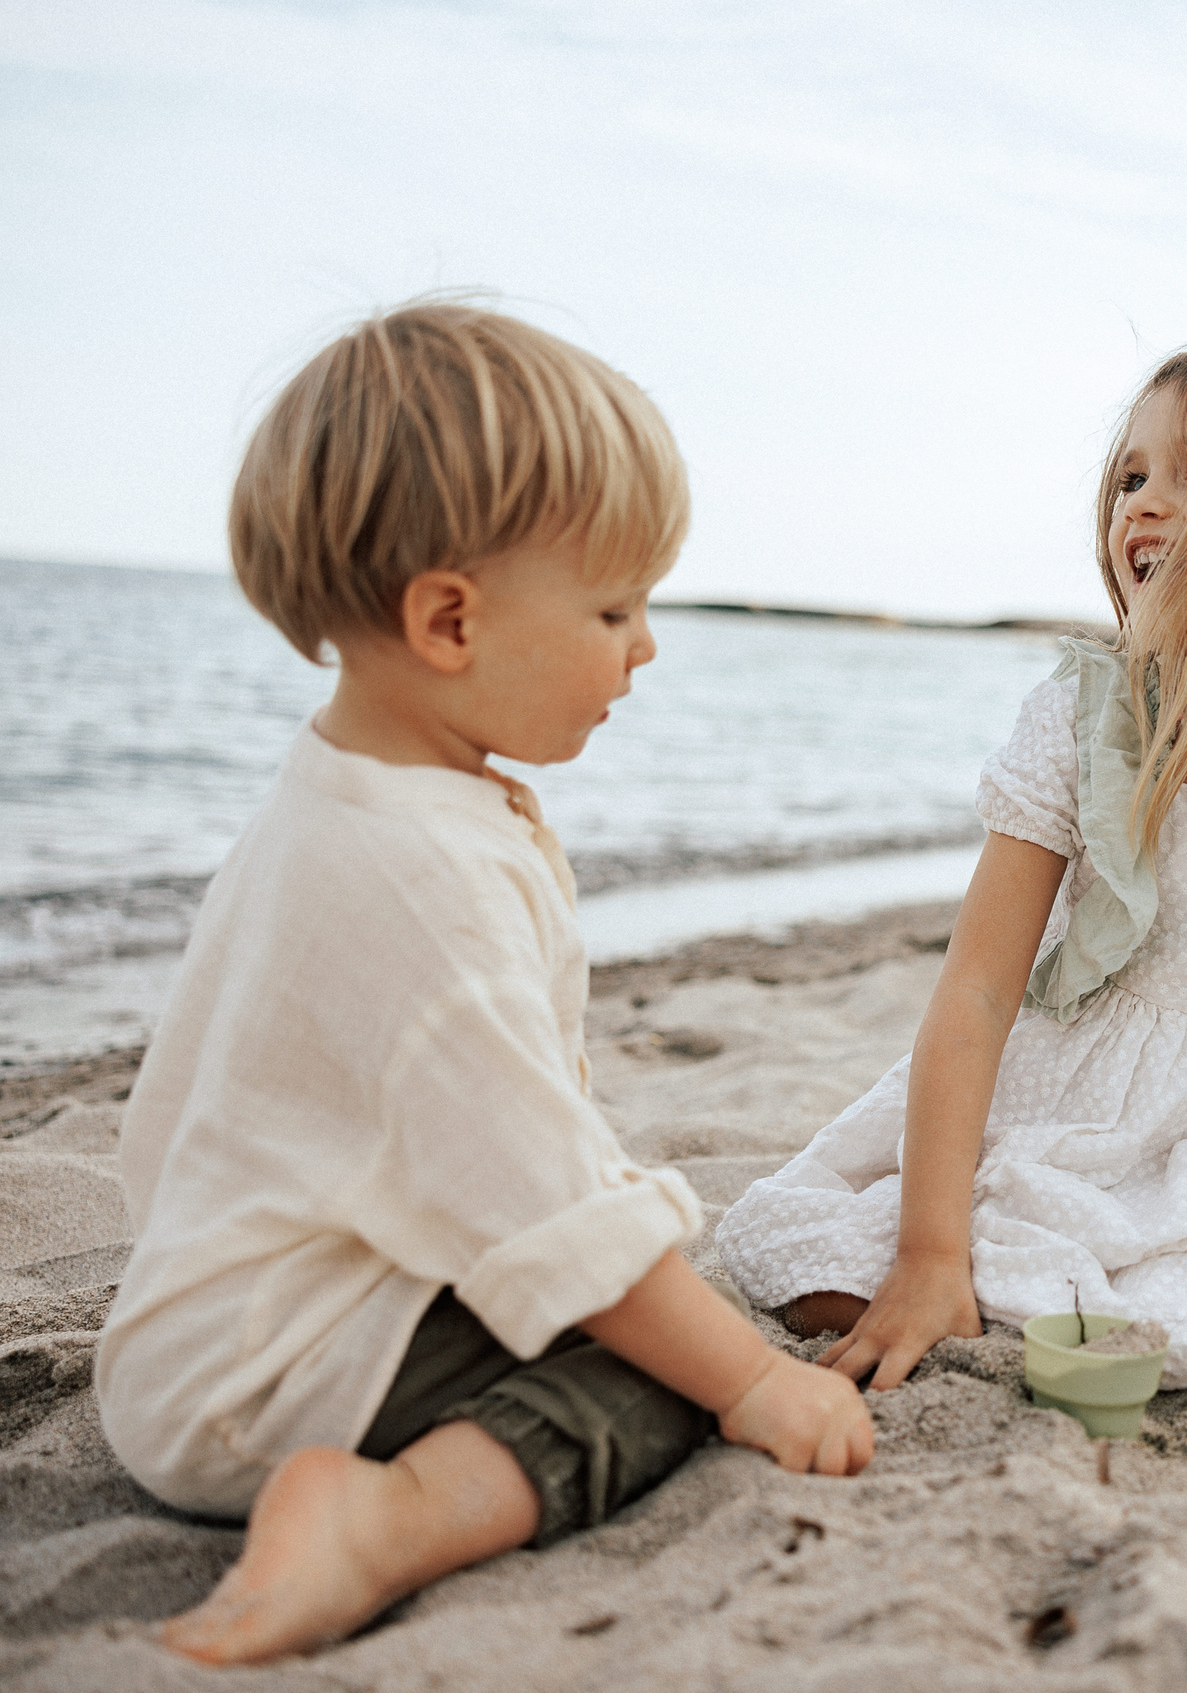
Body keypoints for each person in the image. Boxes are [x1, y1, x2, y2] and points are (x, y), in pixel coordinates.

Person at [95, 304, 873, 1667]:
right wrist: (755, 1379)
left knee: (665, 1322)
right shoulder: (418, 882)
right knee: (659, 1380)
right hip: (264, 1384)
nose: (645, 646)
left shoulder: (353, 795)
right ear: (450, 620)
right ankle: (378, 1521)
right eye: (614, 609)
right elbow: (553, 1208)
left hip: (222, 1314)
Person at [717, 342, 1187, 1412]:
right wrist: (930, 1253)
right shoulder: (1085, 719)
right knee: (818, 1259)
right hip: (1068, 1090)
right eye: (1130, 476)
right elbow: (977, 993)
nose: (1143, 505)